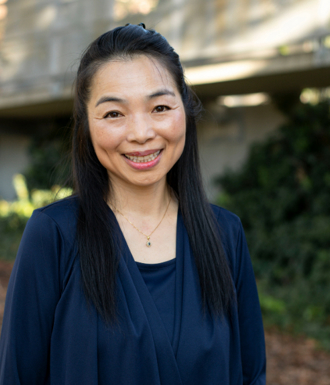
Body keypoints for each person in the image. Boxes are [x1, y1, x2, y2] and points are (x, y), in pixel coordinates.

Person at [0, 23, 266, 385]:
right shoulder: (54, 235)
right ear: (87, 127)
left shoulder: (225, 234)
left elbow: (251, 375)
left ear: (184, 111)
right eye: (114, 113)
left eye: (159, 107)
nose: (140, 133)